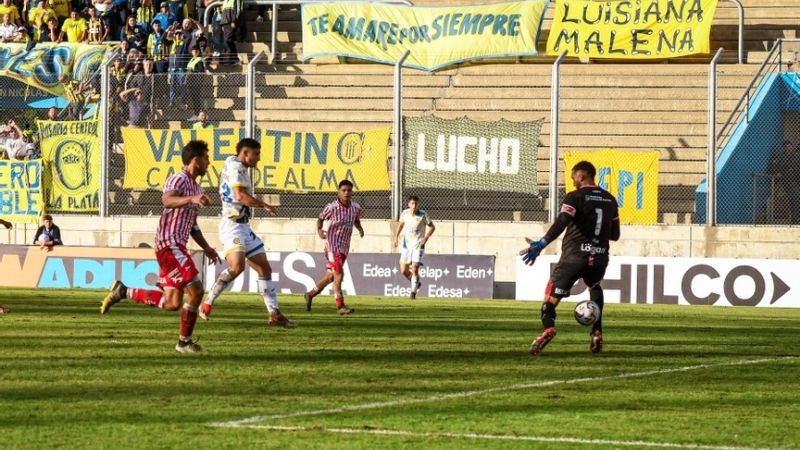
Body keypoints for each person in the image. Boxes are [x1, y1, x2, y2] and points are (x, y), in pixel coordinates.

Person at [100, 140, 220, 353]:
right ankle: (184, 343)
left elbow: (192, 225)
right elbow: (167, 200)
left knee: (172, 303)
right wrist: (192, 198)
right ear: (195, 160)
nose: (208, 163)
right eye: (206, 158)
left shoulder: (196, 187)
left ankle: (123, 291)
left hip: (176, 246)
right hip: (170, 244)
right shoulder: (179, 179)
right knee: (197, 290)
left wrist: (207, 247)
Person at [521, 160, 620, 356]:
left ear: (581, 176)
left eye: (574, 176)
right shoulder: (610, 199)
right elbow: (615, 235)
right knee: (595, 287)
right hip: (599, 258)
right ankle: (597, 332)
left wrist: (541, 243)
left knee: (551, 294)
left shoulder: (575, 197)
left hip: (574, 257)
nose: (572, 180)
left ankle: (548, 328)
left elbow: (562, 221)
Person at [199, 138, 295, 328]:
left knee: (264, 269)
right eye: (256, 154)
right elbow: (239, 196)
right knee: (237, 267)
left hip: (243, 226)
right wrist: (264, 204)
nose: (258, 158)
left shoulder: (231, 161)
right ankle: (206, 303)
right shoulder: (237, 170)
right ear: (245, 154)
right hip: (231, 225)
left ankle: (274, 314)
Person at [303, 179, 364, 315]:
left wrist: (360, 228)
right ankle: (340, 306)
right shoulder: (332, 207)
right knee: (339, 273)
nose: (346, 193)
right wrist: (319, 230)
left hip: (344, 246)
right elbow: (320, 218)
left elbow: (356, 219)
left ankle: (310, 294)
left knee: (331, 277)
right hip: (332, 244)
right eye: (344, 190)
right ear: (339, 192)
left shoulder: (356, 207)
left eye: (349, 190)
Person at [392, 195, 435, 299]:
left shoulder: (423, 214)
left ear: (418, 204)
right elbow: (401, 225)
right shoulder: (405, 214)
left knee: (415, 268)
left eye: (416, 203)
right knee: (403, 270)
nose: (414, 205)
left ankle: (413, 293)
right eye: (412, 203)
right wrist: (396, 237)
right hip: (407, 245)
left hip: (418, 245)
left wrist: (426, 238)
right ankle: (415, 282)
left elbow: (432, 227)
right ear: (409, 204)